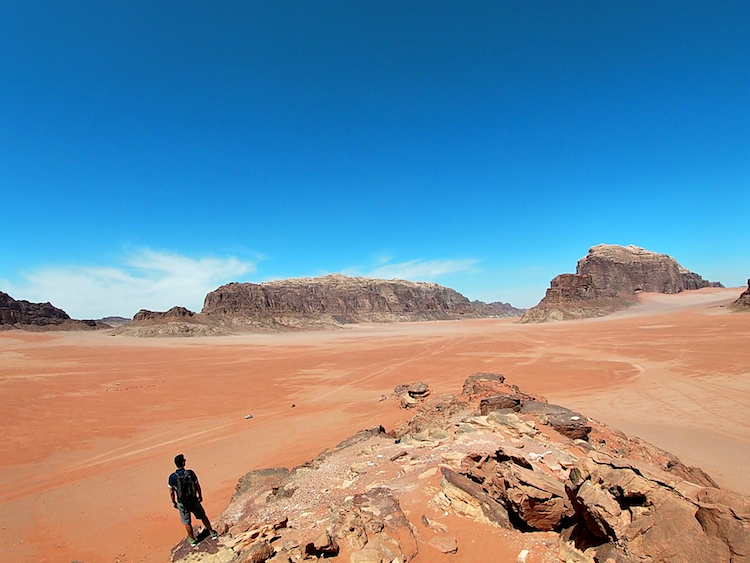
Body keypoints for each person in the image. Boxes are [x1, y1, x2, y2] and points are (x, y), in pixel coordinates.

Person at [168, 454, 218, 546]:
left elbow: (171, 492)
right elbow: (197, 485)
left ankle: (192, 540)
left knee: (186, 522)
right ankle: (212, 533)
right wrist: (200, 495)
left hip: (182, 503)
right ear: (183, 463)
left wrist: (174, 502)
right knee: (202, 516)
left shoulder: (172, 477)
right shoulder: (190, 473)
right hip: (193, 500)